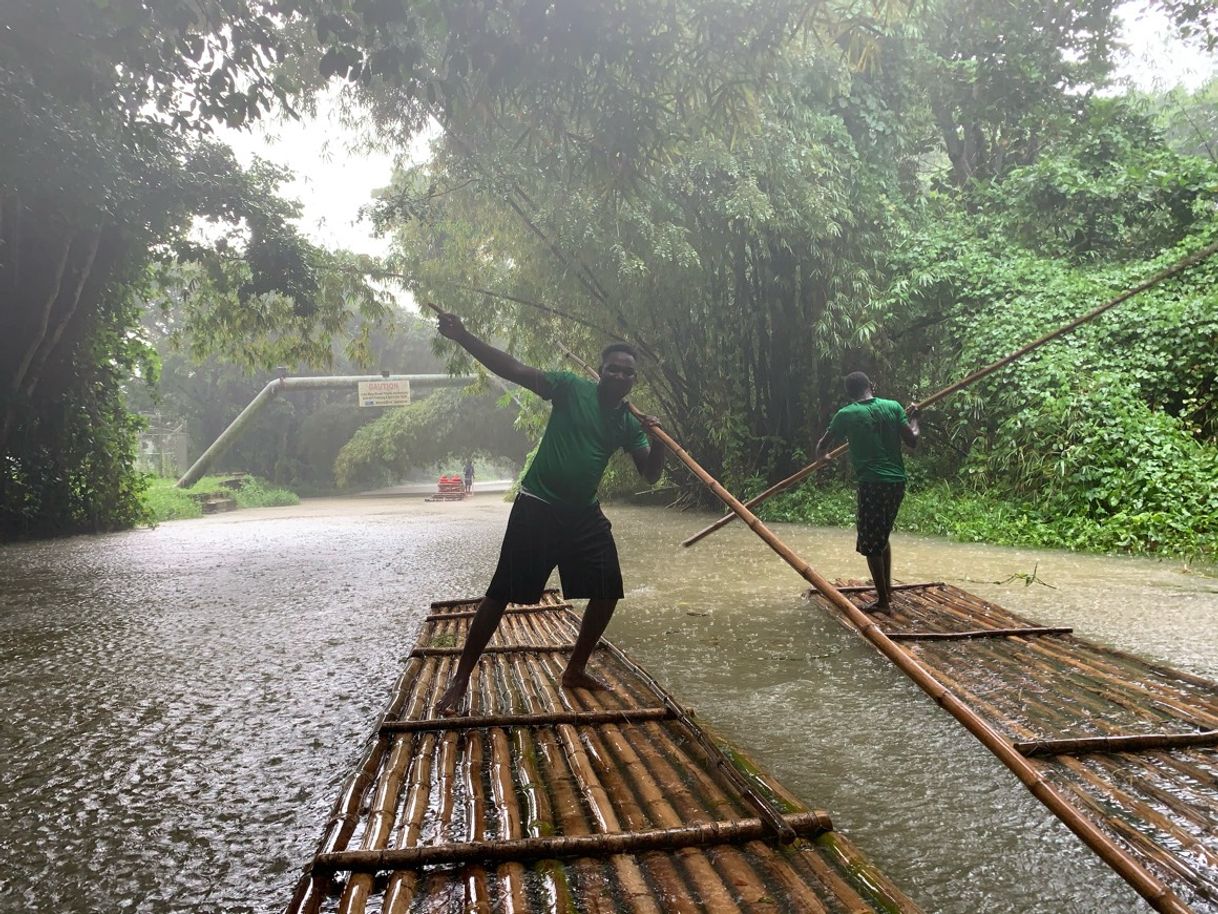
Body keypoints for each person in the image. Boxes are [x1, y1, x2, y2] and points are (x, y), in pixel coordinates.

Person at [432, 310, 664, 715]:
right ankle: (461, 677)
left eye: (629, 374)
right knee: (500, 593)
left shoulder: (629, 423)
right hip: (538, 506)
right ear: (601, 372)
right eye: (614, 370)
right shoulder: (571, 388)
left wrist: (659, 440)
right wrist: (465, 337)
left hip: (583, 515)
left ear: (634, 381)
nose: (621, 377)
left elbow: (649, 474)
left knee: (608, 590)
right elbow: (515, 368)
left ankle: (574, 670)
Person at [815, 371, 919, 613]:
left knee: (871, 544)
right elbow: (912, 440)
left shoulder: (846, 415)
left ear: (849, 394)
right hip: (897, 483)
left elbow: (822, 445)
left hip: (872, 483)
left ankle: (883, 602)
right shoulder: (893, 408)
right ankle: (887, 592)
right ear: (871, 386)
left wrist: (823, 457)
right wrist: (915, 419)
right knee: (881, 537)